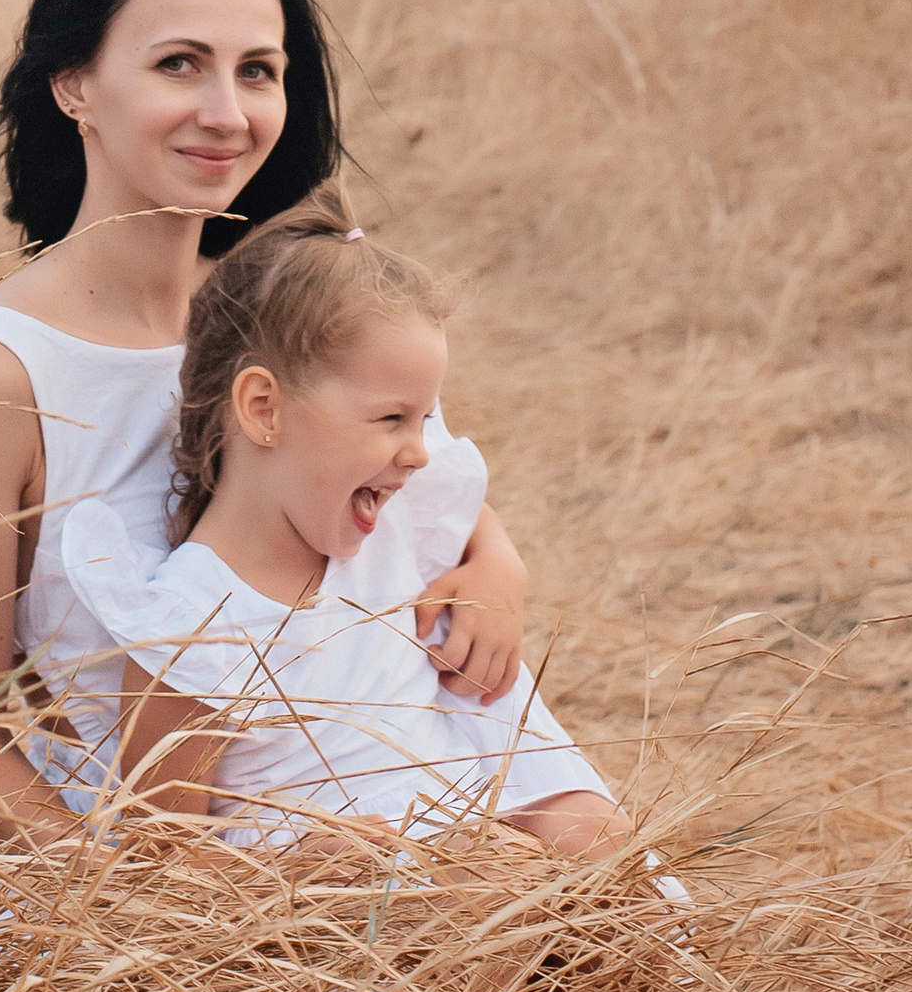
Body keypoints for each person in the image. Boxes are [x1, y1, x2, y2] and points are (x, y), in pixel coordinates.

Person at [0, 0, 587, 854]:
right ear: (75, 83)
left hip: (429, 777)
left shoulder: (285, 302)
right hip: (170, 878)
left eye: (258, 71)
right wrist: (135, 928)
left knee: (602, 895)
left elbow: (413, 489)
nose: (226, 113)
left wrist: (500, 573)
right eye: (179, 64)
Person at [72, 194, 631, 862]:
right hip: (337, 911)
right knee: (483, 873)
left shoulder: (385, 527)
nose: (421, 450)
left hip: (469, 826)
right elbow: (159, 857)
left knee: (601, 840)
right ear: (263, 408)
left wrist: (497, 563)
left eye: (425, 420)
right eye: (392, 419)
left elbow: (461, 516)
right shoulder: (192, 627)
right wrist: (293, 873)